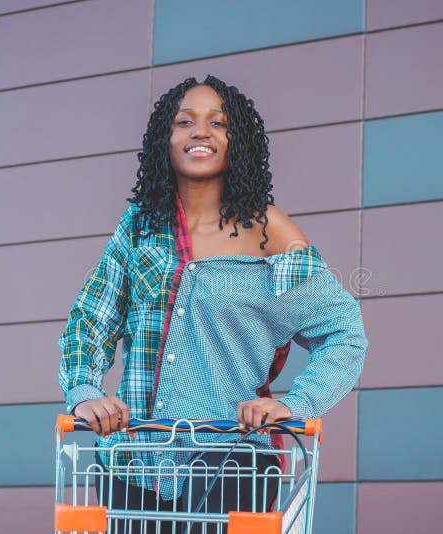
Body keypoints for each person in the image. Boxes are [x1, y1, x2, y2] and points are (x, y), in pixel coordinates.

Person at [58, 75, 367, 533]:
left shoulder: (270, 233)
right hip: (131, 465)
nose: (200, 132)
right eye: (184, 122)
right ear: (165, 140)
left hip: (232, 465)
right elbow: (90, 319)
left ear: (236, 141)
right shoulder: (140, 228)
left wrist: (298, 403)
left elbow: (343, 333)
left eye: (218, 123)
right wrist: (84, 391)